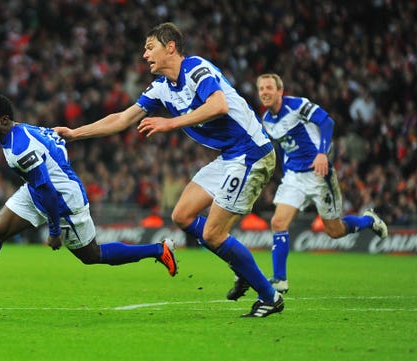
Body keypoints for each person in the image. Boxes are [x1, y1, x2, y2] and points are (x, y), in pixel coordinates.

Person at [54, 22, 283, 318]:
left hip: (252, 152)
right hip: (231, 156)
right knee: (182, 216)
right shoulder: (162, 88)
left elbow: (219, 106)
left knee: (213, 235)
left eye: (150, 47)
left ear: (170, 47)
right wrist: (74, 133)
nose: (144, 54)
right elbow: (122, 119)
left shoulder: (196, 68)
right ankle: (242, 267)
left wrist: (169, 123)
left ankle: (269, 296)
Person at [0, 93, 177, 313]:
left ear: (4, 120)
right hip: (37, 189)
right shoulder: (21, 130)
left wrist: (54, 231)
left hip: (63, 201)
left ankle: (158, 250)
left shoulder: (19, 150)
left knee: (92, 255)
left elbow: (48, 190)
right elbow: (56, 140)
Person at [227, 73, 389, 300]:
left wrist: (322, 153)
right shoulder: (267, 121)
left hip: (318, 173)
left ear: (279, 91)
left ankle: (368, 220)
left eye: (269, 88)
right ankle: (280, 279)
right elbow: (283, 147)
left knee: (335, 231)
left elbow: (326, 121)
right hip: (294, 176)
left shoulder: (298, 105)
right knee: (278, 222)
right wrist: (284, 171)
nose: (264, 92)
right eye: (261, 88)